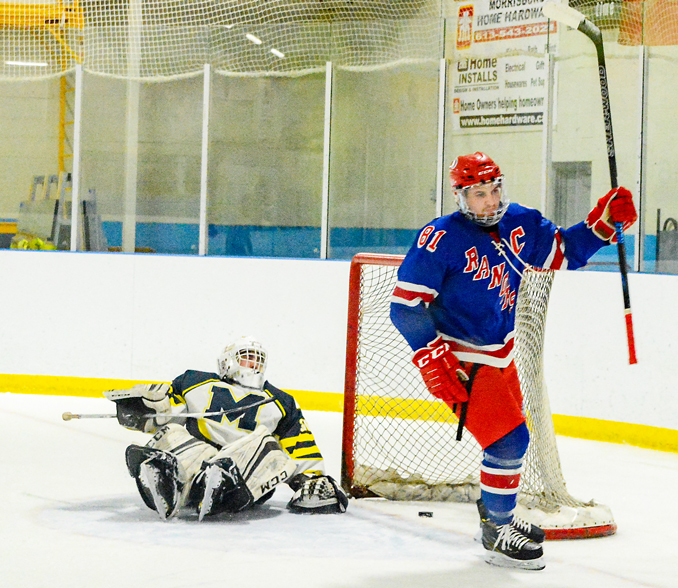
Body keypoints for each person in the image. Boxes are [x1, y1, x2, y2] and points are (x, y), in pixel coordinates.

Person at [390, 152, 637, 570]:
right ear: (460, 197)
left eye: (494, 189)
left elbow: (564, 252)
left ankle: (495, 515)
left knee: (510, 439)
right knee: (508, 441)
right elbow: (405, 306)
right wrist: (430, 355)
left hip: (502, 355)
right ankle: (498, 529)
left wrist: (602, 224)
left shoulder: (521, 222)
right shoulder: (439, 237)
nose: (490, 201)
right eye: (479, 194)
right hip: (462, 359)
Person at [104, 336, 348, 521]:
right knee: (173, 433)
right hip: (199, 461)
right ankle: (170, 480)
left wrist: (311, 479)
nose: (254, 364)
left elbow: (300, 443)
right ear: (227, 361)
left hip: (245, 477)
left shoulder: (281, 402)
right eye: (247, 357)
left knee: (267, 445)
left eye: (258, 359)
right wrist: (143, 408)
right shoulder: (193, 382)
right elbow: (167, 414)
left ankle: (220, 481)